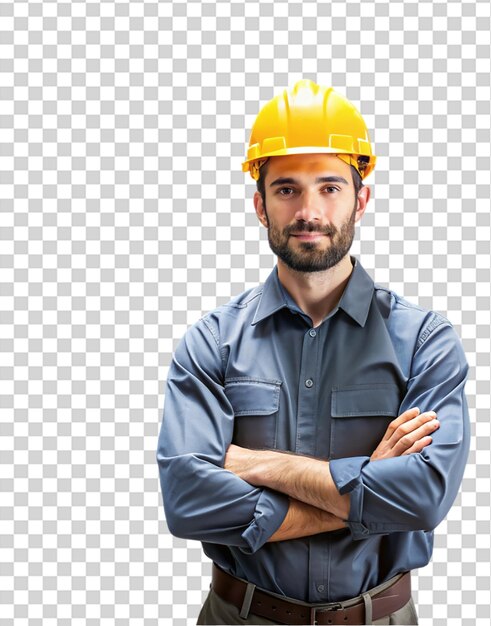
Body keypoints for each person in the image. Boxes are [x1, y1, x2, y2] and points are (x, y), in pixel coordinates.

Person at [157, 79, 471, 625]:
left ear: (361, 199)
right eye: (286, 190)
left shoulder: (424, 341)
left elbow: (423, 498)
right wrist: (367, 485)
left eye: (329, 187)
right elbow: (188, 502)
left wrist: (258, 464)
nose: (309, 210)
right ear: (260, 205)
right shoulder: (212, 341)